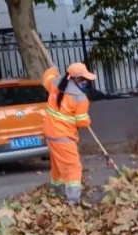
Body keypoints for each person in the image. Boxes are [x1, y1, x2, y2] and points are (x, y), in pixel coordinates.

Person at [42, 62, 96, 204]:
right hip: (64, 137)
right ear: (77, 79)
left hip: (50, 134)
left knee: (58, 164)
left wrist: (53, 69)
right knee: (73, 167)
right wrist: (87, 120)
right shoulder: (80, 98)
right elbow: (81, 122)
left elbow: (47, 77)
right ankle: (73, 199)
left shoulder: (55, 84)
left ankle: (55, 190)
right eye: (84, 79)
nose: (86, 82)